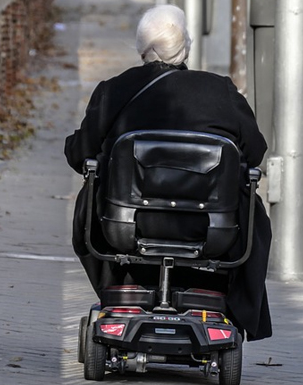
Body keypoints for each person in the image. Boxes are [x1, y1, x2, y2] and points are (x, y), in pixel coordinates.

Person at [64, 4, 272, 341]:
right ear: (186, 46)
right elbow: (256, 152)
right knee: (251, 205)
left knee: (92, 189)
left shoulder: (113, 90)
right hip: (211, 231)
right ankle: (229, 303)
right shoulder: (222, 91)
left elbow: (79, 155)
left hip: (126, 227)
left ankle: (122, 286)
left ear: (141, 48)